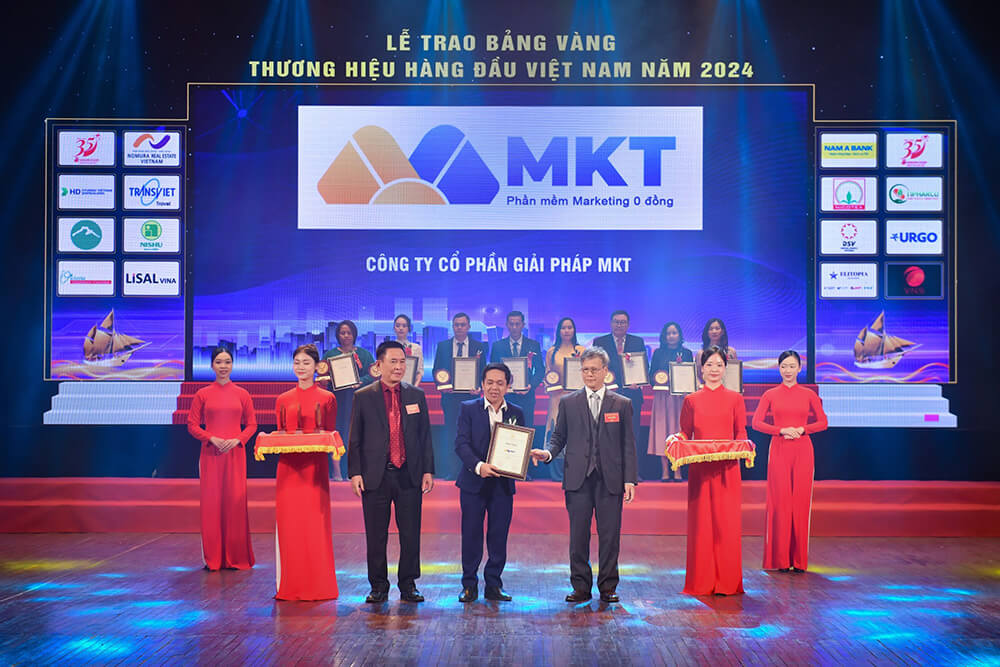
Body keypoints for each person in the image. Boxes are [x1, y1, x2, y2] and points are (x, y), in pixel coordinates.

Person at [529, 347, 638, 603]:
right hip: (578, 478)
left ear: (605, 371)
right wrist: (548, 453)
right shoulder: (569, 402)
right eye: (585, 370)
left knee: (610, 536)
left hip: (610, 479)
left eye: (594, 370)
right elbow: (559, 437)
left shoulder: (622, 404)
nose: (589, 374)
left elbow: (628, 444)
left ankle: (608, 587)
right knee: (578, 535)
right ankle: (580, 586)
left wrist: (630, 479)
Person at [349, 340, 435, 603]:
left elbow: (425, 436)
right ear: (379, 364)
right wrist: (355, 473)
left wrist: (428, 470)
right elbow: (355, 438)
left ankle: (408, 584)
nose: (399, 367)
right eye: (393, 361)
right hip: (376, 475)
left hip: (409, 473)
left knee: (410, 533)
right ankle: (378, 586)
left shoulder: (416, 395)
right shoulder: (364, 396)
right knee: (376, 535)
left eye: (402, 362)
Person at [454, 362, 526, 603]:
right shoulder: (468, 409)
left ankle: (494, 584)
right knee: (471, 535)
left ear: (508, 386)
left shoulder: (516, 412)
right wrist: (479, 466)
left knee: (498, 536)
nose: (495, 388)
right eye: (490, 383)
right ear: (482, 385)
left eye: (500, 383)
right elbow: (461, 444)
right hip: (473, 483)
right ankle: (469, 585)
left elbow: (518, 445)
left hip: (502, 486)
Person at [678, 346, 747, 596]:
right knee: (702, 524)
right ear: (701, 368)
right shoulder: (691, 400)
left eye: (719, 365)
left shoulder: (736, 399)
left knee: (726, 524)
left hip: (728, 468)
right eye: (709, 365)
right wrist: (676, 441)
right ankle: (702, 581)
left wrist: (742, 447)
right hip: (700, 470)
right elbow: (685, 432)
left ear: (726, 368)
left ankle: (727, 582)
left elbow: (740, 432)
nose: (714, 369)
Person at [273, 343, 339, 600]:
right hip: (288, 471)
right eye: (297, 363)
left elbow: (330, 433)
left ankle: (318, 584)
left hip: (315, 470)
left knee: (315, 526)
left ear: (316, 367)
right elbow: (280, 434)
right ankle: (291, 583)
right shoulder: (282, 399)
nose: (301, 367)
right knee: (291, 526)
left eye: (306, 363)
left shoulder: (327, 398)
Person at [752, 350, 828, 572]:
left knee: (800, 504)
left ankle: (799, 561)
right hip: (779, 449)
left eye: (792, 366)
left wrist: (803, 429)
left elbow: (823, 422)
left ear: (799, 368)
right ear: (779, 368)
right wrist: (780, 430)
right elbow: (756, 423)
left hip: (803, 450)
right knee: (781, 503)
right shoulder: (770, 395)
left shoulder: (808, 395)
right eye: (784, 366)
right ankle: (781, 560)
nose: (788, 370)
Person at [186, 346, 257, 571]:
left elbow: (252, 425)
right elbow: (192, 425)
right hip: (211, 454)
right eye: (219, 362)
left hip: (235, 454)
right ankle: (214, 558)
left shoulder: (242, 394)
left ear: (232, 365)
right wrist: (211, 438)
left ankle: (236, 556)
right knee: (212, 504)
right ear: (211, 366)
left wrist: (238, 440)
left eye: (227, 362)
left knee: (235, 504)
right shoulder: (203, 394)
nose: (223, 366)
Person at [433, 312, 488, 480]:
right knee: (452, 433)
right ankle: (453, 471)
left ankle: (472, 470)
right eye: (456, 324)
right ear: (453, 326)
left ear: (468, 326)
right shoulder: (443, 346)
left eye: (463, 324)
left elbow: (483, 371)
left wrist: (479, 387)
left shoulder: (479, 346)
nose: (459, 328)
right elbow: (437, 370)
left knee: (473, 434)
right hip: (450, 398)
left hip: (472, 398)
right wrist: (443, 386)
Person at [323, 320, 376, 480]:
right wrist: (327, 380)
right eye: (342, 333)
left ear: (354, 334)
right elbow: (323, 375)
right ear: (337, 335)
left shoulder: (364, 354)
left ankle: (355, 472)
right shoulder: (330, 354)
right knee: (337, 433)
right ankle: (337, 472)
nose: (346, 336)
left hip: (358, 400)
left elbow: (373, 374)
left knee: (357, 434)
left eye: (349, 333)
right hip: (337, 401)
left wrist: (361, 381)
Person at [592, 310, 648, 459]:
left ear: (628, 325)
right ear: (611, 323)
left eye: (623, 322)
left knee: (632, 433)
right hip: (608, 396)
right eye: (616, 322)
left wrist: (639, 381)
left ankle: (631, 468)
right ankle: (609, 466)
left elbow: (643, 366)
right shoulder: (600, 342)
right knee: (609, 433)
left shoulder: (637, 342)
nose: (619, 325)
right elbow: (595, 366)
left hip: (632, 396)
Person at [648, 322, 694, 481]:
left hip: (680, 399)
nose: (671, 336)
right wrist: (658, 381)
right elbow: (651, 375)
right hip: (662, 398)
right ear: (664, 336)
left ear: (679, 335)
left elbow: (691, 375)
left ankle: (677, 470)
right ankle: (665, 471)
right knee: (662, 432)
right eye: (668, 333)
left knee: (677, 432)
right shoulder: (658, 353)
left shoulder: (687, 353)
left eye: (674, 333)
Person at [489, 310, 544, 441]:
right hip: (504, 397)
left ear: (523, 325)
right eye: (511, 324)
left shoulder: (533, 345)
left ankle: (526, 455)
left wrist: (531, 385)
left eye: (517, 324)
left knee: (525, 432)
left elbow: (540, 370)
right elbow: (492, 370)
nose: (514, 327)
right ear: (507, 325)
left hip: (527, 396)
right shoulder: (497, 346)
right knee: (504, 433)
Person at [542, 317, 585, 482]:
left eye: (569, 327)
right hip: (557, 398)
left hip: (576, 398)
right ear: (558, 331)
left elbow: (587, 372)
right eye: (563, 328)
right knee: (556, 430)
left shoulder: (582, 350)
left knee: (576, 432)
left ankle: (575, 471)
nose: (567, 331)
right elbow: (547, 374)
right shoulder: (552, 351)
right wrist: (551, 384)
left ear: (574, 330)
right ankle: (556, 473)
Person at [393, 313, 424, 383]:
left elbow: (420, 371)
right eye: (398, 326)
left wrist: (414, 387)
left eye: (404, 326)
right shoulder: (388, 347)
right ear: (394, 328)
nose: (401, 328)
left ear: (409, 328)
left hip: (410, 386)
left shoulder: (416, 348)